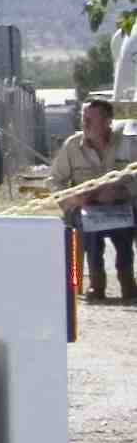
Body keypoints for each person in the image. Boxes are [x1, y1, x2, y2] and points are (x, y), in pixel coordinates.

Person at [50, 96, 135, 302]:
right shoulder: (72, 145)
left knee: (126, 228)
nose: (85, 123)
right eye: (83, 118)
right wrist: (73, 198)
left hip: (120, 204)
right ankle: (93, 284)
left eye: (91, 119)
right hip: (84, 208)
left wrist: (124, 192)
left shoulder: (127, 143)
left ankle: (127, 282)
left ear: (107, 122)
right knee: (90, 230)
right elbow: (55, 180)